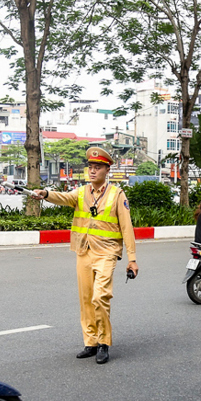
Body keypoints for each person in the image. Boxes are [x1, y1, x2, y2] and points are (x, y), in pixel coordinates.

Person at [30, 147, 138, 365]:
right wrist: (46, 194)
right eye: (90, 167)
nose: (92, 170)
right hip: (84, 251)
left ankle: (104, 343)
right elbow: (63, 197)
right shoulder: (81, 193)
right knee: (86, 300)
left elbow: (127, 228)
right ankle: (90, 342)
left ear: (107, 170)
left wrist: (132, 259)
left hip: (107, 252)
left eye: (97, 167)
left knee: (100, 297)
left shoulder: (117, 194)